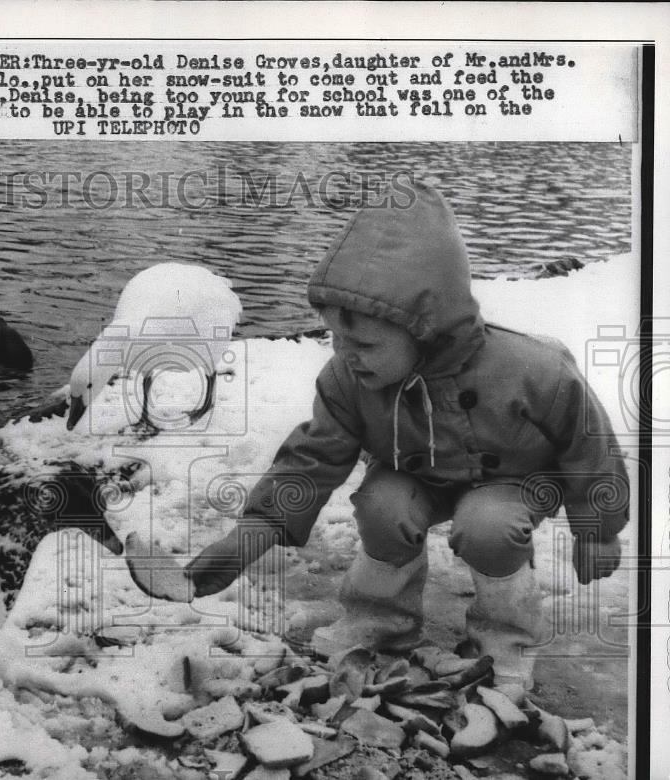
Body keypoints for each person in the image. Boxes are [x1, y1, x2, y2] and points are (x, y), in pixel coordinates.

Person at [184, 181, 628, 701]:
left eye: (365, 343)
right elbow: (313, 457)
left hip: (511, 482)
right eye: (336, 337)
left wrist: (597, 529)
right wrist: (255, 530)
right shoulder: (349, 380)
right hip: (415, 474)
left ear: (426, 329)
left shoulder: (534, 370)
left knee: (487, 525)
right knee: (381, 504)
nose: (347, 354)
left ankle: (504, 640)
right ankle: (380, 625)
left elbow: (589, 447)